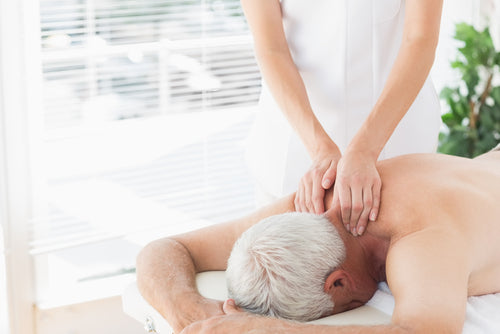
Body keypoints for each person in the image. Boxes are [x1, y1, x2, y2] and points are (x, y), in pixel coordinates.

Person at [136, 145, 500, 333]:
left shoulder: (418, 243)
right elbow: (166, 249)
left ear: (338, 283)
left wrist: (266, 331)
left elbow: (424, 333)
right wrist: (190, 312)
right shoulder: (316, 204)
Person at [243, 0, 444, 236]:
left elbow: (420, 38)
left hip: (397, 148)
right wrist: (320, 150)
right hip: (293, 153)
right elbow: (271, 48)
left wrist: (364, 151)